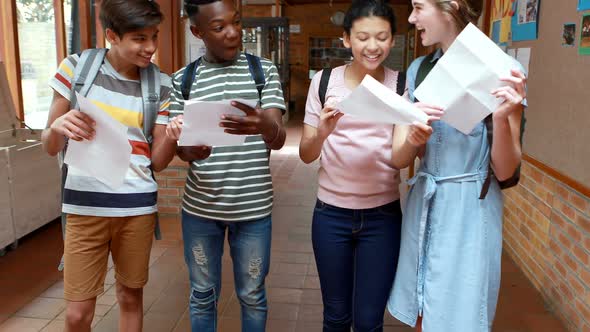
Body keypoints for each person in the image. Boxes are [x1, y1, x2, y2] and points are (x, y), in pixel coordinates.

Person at [386, 0, 527, 331]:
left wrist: (504, 117)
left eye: (419, 7)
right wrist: (414, 139)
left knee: (461, 316)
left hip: (470, 211)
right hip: (426, 200)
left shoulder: (503, 70)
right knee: (420, 306)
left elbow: (506, 172)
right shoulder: (419, 69)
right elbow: (401, 156)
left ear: (451, 5)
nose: (411, 18)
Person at [41, 1, 176, 331]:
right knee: (77, 314)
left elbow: (156, 162)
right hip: (84, 210)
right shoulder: (76, 69)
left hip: (136, 209)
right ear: (112, 36)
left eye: (154, 36)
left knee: (130, 298)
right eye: (139, 38)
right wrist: (57, 128)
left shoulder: (160, 84)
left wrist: (173, 137)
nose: (150, 47)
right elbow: (49, 146)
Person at [164, 0, 287, 331]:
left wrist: (264, 124)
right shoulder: (183, 80)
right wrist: (191, 149)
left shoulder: (263, 71)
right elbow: (182, 152)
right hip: (201, 210)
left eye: (236, 23)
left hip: (253, 209)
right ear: (197, 32)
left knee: (252, 294)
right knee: (202, 294)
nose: (233, 34)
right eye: (219, 28)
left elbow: (278, 140)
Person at [298, 1, 404, 331]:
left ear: (393, 40)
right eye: (362, 37)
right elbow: (305, 153)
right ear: (346, 39)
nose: (372, 46)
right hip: (331, 215)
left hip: (383, 216)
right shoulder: (324, 83)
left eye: (382, 37)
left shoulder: (401, 87)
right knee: (336, 317)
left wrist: (418, 138)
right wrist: (324, 133)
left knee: (370, 320)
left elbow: (403, 156)